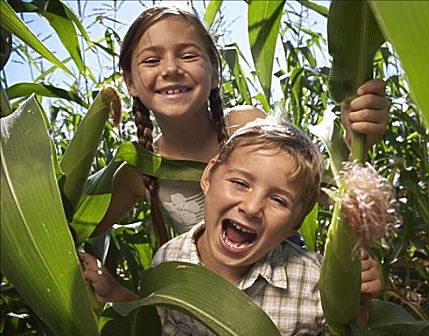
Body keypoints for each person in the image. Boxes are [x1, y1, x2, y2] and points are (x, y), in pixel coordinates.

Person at [89, 5, 390, 243]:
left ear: (215, 74)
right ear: (130, 83)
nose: (170, 69)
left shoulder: (247, 126)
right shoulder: (138, 169)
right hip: (215, 306)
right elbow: (74, 231)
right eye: (151, 61)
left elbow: (322, 191)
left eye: (188, 55)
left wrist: (356, 139)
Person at [81, 117, 381, 336]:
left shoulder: (314, 279)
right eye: (240, 183)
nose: (251, 207)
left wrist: (358, 299)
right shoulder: (169, 261)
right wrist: (113, 293)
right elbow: (171, 333)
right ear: (209, 176)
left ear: (295, 225)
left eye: (278, 200)